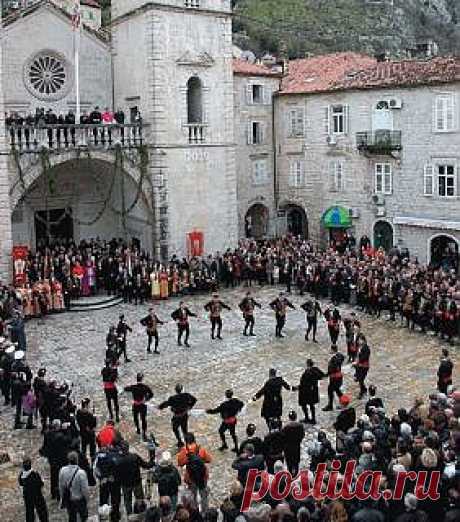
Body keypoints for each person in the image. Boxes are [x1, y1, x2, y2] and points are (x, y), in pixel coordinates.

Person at [177, 432, 212, 513]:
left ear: (185, 441)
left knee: (193, 495)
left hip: (190, 478)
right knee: (204, 496)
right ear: (194, 440)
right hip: (203, 477)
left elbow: (180, 463)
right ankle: (205, 511)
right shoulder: (201, 449)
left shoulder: (184, 451)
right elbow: (209, 459)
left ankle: (195, 511)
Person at [58, 451, 89, 522]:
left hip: (69, 499)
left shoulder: (62, 470)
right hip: (79, 499)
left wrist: (62, 497)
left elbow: (61, 486)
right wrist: (87, 499)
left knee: (71, 517)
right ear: (77, 460)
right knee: (83, 517)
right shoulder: (81, 473)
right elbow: (85, 489)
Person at [124, 373, 154, 440]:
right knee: (143, 419)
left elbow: (125, 389)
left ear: (136, 379)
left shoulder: (133, 387)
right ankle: (144, 433)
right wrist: (146, 399)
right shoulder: (145, 387)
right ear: (142, 379)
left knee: (135, 418)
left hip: (135, 405)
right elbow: (151, 394)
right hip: (142, 405)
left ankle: (138, 429)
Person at [297, 359, 325, 424]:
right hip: (314, 390)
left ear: (307, 364)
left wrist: (297, 388)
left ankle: (307, 418)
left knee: (303, 404)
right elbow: (322, 376)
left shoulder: (306, 373)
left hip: (306, 391)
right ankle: (313, 419)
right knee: (312, 405)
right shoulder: (316, 370)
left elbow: (303, 383)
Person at [281, 410, 305, 476]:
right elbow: (302, 435)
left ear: (289, 417)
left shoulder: (285, 427)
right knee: (296, 461)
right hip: (296, 446)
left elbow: (283, 438)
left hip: (288, 447)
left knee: (289, 462)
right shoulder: (300, 425)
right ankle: (296, 472)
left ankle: (290, 473)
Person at [322, 345, 345, 411]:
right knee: (337, 390)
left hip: (334, 378)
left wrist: (325, 375)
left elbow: (331, 370)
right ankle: (343, 402)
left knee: (330, 391)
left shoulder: (333, 359)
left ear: (332, 350)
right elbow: (343, 358)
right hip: (339, 376)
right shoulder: (339, 355)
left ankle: (330, 405)